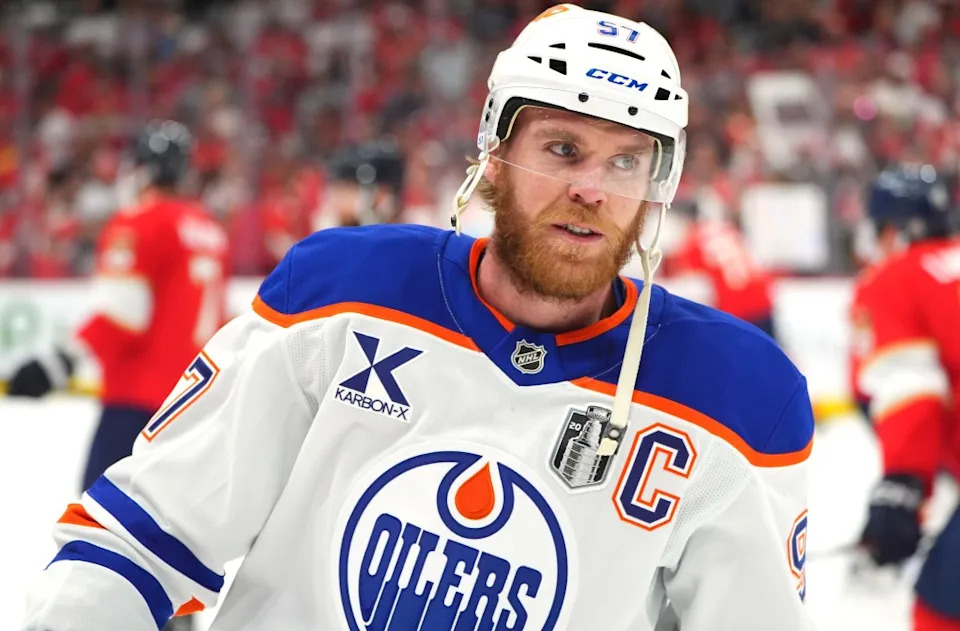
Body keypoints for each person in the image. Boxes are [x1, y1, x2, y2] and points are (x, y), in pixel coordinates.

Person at [23, 6, 814, 630]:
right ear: (494, 153)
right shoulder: (340, 295)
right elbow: (138, 540)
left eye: (626, 160)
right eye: (563, 149)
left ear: (658, 183)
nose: (593, 189)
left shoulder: (740, 402)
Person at [13, 120, 228, 631]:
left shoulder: (140, 223)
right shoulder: (208, 229)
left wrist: (55, 364)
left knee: (105, 530)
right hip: (190, 406)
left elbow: (121, 316)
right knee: (172, 534)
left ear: (143, 169)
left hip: (135, 406)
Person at [851, 165, 960, 631]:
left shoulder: (896, 276)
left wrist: (903, 487)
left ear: (892, 230)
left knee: (938, 611)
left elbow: (910, 388)